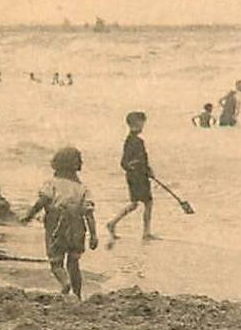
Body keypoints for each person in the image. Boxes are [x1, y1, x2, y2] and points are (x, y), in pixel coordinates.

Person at [19, 147, 98, 298]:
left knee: (56, 262)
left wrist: (28, 216)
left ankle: (65, 283)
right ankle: (77, 295)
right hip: (77, 226)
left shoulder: (52, 183)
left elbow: (41, 202)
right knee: (74, 263)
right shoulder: (82, 188)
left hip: (57, 225)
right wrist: (93, 235)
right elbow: (89, 213)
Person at [105, 111, 155, 246]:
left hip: (138, 176)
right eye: (142, 123)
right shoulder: (134, 141)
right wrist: (138, 169)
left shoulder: (134, 140)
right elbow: (125, 162)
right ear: (136, 124)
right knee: (147, 203)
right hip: (137, 177)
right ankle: (146, 232)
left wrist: (148, 170)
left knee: (137, 204)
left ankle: (113, 223)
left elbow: (139, 161)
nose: (143, 126)